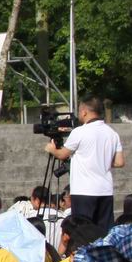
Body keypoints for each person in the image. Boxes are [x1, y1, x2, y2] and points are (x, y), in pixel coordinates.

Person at [45, 96, 124, 229]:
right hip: (105, 190)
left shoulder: (80, 132)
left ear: (84, 111)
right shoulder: (112, 133)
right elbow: (120, 162)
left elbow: (62, 154)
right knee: (103, 230)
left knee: (82, 230)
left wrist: (51, 149)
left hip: (84, 191)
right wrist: (100, 161)